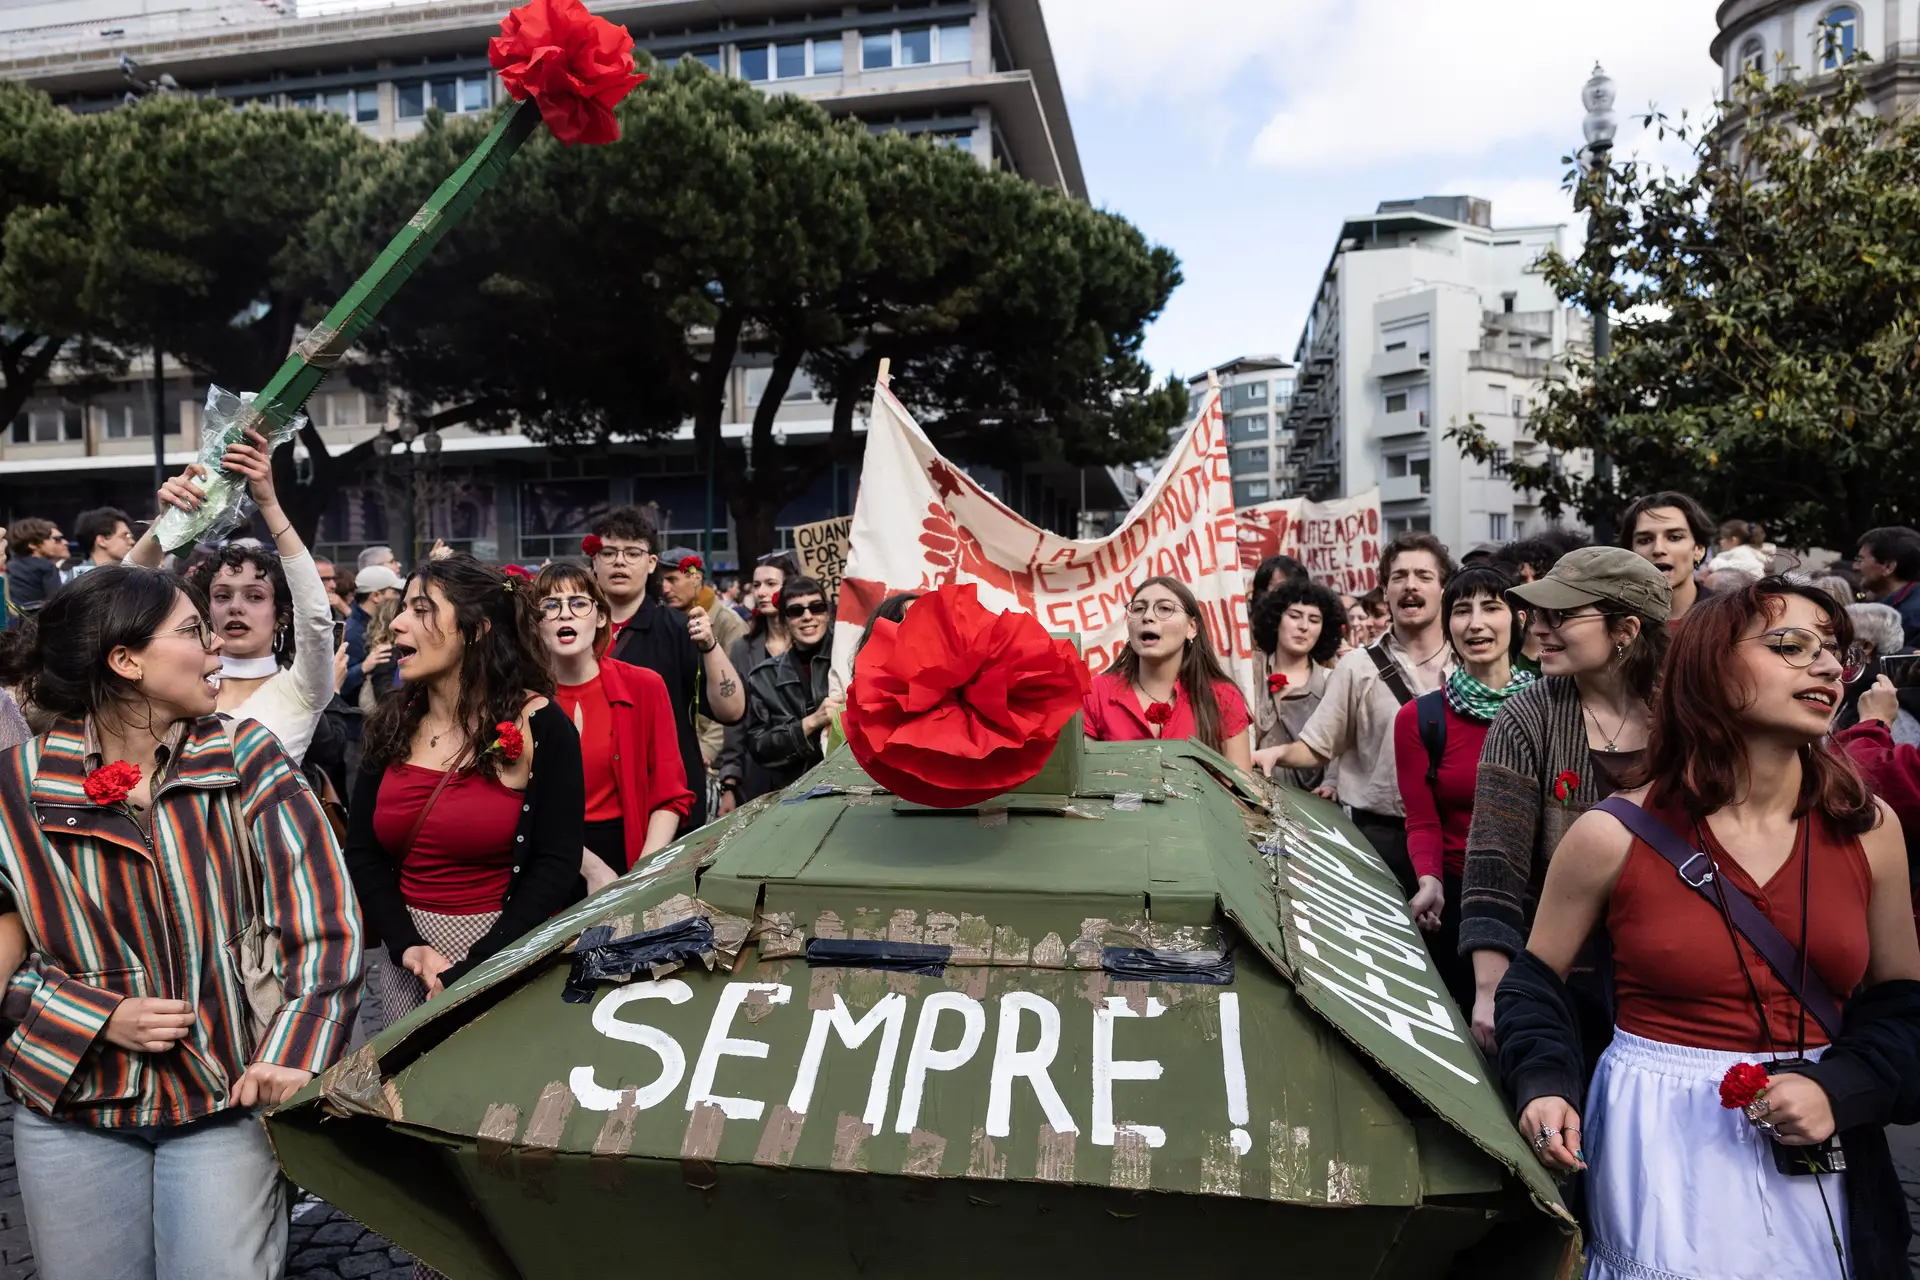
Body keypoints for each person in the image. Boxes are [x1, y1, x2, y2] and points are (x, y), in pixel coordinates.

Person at [1497, 578, 1920, 1280]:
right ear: (1710, 667)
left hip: (1822, 1135)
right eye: (1791, 646)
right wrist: (1543, 1083)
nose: (1826, 667)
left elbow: (1903, 1006)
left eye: (1835, 651)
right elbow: (1534, 985)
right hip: (1655, 1138)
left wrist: (1839, 1088)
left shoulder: (1870, 829)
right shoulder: (1611, 833)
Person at [0, 565, 361, 1278]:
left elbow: (323, 920)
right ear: (126, 661)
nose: (215, 647)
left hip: (225, 1097)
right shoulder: (16, 787)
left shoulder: (247, 756)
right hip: (72, 1109)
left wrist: (291, 1051)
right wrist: (95, 1015)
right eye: (193, 631)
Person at [342, 555, 584, 1020]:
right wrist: (409, 947)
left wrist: (476, 966)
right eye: (402, 608)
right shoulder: (391, 724)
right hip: (408, 964)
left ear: (476, 629)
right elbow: (364, 854)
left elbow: (556, 864)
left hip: (501, 954)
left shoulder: (543, 726)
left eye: (421, 609)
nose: (397, 624)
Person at [1459, 546, 1671, 1055]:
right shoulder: (1527, 717)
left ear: (1626, 630)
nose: (1539, 630)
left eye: (1561, 616)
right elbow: (1495, 862)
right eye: (1537, 615)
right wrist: (1491, 990)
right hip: (1561, 982)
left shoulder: (1686, 714)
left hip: (1672, 978)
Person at [1257, 533, 1455, 891]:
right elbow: (1320, 745)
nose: (1410, 585)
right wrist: (1277, 753)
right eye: (1399, 576)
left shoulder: (1469, 662)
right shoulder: (1357, 667)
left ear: (1443, 587)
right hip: (1380, 843)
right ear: (1384, 589)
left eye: (1424, 576)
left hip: (1459, 839)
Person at [127, 432, 337, 764]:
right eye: (222, 595)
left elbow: (315, 616)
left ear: (280, 614)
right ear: (206, 611)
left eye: (255, 597)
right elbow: (119, 605)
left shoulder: (303, 688)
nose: (236, 607)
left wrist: (269, 503)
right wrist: (165, 525)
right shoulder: (176, 683)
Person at [1394, 564, 1534, 1015]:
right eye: (1461, 610)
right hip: (1460, 904)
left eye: (1491, 607)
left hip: (1543, 901)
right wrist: (1430, 879)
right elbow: (1422, 820)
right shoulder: (1420, 718)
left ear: (1520, 618)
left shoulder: (1554, 708)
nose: (1475, 623)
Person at [533, 563, 693, 891]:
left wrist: (642, 873)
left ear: (601, 616)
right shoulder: (519, 699)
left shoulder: (644, 686)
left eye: (579, 603)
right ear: (534, 624)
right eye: (550, 605)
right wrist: (590, 868)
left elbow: (670, 795)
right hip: (545, 862)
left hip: (630, 856)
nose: (566, 614)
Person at [590, 508, 743, 830]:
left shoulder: (678, 629)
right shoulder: (572, 631)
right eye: (609, 552)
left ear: (651, 564)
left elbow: (732, 711)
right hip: (592, 803)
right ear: (594, 560)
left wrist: (710, 646)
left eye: (632, 553)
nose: (619, 561)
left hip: (666, 800)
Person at [1082, 576, 1254, 771]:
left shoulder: (1224, 696)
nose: (1147, 616)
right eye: (1138, 609)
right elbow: (1082, 779)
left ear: (1192, 628)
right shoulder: (1095, 692)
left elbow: (1241, 793)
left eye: (1164, 609)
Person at [715, 553, 800, 814]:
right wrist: (730, 779)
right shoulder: (743, 648)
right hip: (756, 774)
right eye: (757, 585)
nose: (762, 592)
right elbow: (737, 717)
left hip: (804, 768)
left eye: (771, 584)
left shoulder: (810, 642)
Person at [659, 547, 747, 799]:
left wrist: (705, 750)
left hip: (715, 765)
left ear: (696, 578)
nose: (665, 588)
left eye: (672, 580)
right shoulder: (666, 622)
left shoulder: (729, 625)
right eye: (662, 580)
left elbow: (733, 703)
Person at [745, 576, 843, 789]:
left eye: (816, 607)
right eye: (796, 611)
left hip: (851, 786)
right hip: (794, 794)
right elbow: (759, 747)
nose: (807, 616)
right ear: (784, 621)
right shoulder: (764, 677)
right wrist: (810, 723)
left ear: (827, 613)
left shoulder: (852, 659)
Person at [1248, 576, 1343, 792]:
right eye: (1295, 616)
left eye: (1314, 620)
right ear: (1276, 619)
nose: (1303, 627)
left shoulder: (1331, 681)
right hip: (1250, 795)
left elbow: (1339, 744)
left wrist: (1332, 783)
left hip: (1311, 804)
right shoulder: (1249, 669)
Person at [1620, 490, 1714, 622]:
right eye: (1645, 540)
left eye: (1674, 537)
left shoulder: (1731, 619)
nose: (1658, 549)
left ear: (1699, 549)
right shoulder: (1613, 622)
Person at [1855, 526, 1920, 652]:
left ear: (1888, 567)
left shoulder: (1912, 615)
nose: (1855, 566)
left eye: (1860, 560)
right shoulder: (1900, 605)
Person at [5, 519, 67, 618]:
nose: (55, 542)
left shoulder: (10, 566)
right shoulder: (46, 567)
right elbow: (57, 602)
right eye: (52, 539)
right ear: (33, 545)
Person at [66, 506, 134, 578]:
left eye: (131, 536)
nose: (132, 542)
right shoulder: (78, 578)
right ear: (102, 540)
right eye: (125, 535)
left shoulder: (131, 575)